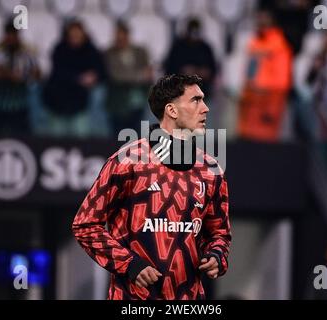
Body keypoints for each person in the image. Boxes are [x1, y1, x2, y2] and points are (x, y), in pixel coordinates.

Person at [72, 74, 231, 300]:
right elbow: (85, 225)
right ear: (172, 111)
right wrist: (129, 264)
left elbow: (219, 233)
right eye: (196, 100)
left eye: (204, 100)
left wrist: (216, 255)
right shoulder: (128, 161)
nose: (205, 108)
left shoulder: (211, 169)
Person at [42, 19, 107, 137]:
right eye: (72, 35)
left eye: (78, 35)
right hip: (58, 102)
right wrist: (79, 78)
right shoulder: (60, 49)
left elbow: (102, 72)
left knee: (81, 139)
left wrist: (94, 76)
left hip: (80, 104)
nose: (75, 38)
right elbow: (58, 73)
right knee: (56, 141)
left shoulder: (91, 50)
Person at [237, 8, 292, 142]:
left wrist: (269, 102)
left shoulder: (279, 45)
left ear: (271, 21)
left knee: (265, 150)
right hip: (250, 105)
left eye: (264, 17)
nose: (260, 21)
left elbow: (282, 81)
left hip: (267, 106)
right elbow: (249, 74)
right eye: (259, 17)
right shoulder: (254, 42)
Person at [0, 20, 40, 134]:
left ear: (18, 36)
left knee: (21, 137)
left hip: (20, 104)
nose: (10, 38)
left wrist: (24, 75)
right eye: (8, 35)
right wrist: (10, 75)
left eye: (13, 35)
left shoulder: (27, 52)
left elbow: (37, 73)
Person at [105, 20, 153, 137]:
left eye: (123, 37)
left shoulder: (140, 51)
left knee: (137, 139)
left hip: (138, 102)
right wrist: (140, 75)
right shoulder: (109, 53)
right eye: (118, 37)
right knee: (117, 140)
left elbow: (149, 74)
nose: (120, 40)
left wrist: (133, 76)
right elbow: (117, 76)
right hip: (118, 105)